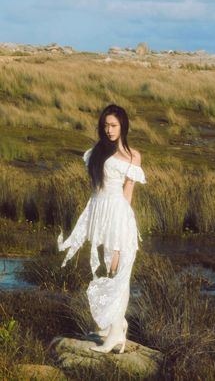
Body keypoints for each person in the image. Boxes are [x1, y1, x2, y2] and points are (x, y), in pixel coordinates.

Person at [57, 104, 146, 353]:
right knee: (106, 270)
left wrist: (120, 231)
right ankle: (117, 325)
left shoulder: (133, 156)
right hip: (99, 214)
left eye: (114, 125)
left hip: (119, 217)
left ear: (123, 126)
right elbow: (96, 191)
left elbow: (127, 195)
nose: (109, 130)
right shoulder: (95, 152)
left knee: (118, 271)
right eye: (106, 125)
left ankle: (116, 332)